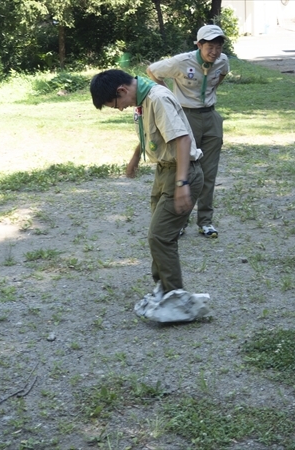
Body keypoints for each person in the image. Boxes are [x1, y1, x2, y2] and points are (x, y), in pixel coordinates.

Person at [90, 69, 204, 295]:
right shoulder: (143, 100)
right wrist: (135, 157)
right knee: (158, 235)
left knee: (160, 237)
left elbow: (182, 139)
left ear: (121, 90)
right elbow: (153, 133)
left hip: (181, 171)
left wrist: (182, 183)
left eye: (117, 104)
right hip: (164, 171)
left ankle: (175, 298)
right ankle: (163, 288)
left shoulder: (157, 98)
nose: (121, 108)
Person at [147, 24, 230, 238]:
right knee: (184, 170)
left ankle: (205, 221)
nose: (215, 51)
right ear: (199, 45)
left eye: (218, 46)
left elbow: (221, 75)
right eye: (210, 46)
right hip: (186, 117)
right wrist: (168, 94)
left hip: (210, 117)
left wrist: (209, 93)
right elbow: (152, 71)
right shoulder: (182, 62)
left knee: (209, 172)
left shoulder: (222, 61)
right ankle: (179, 220)